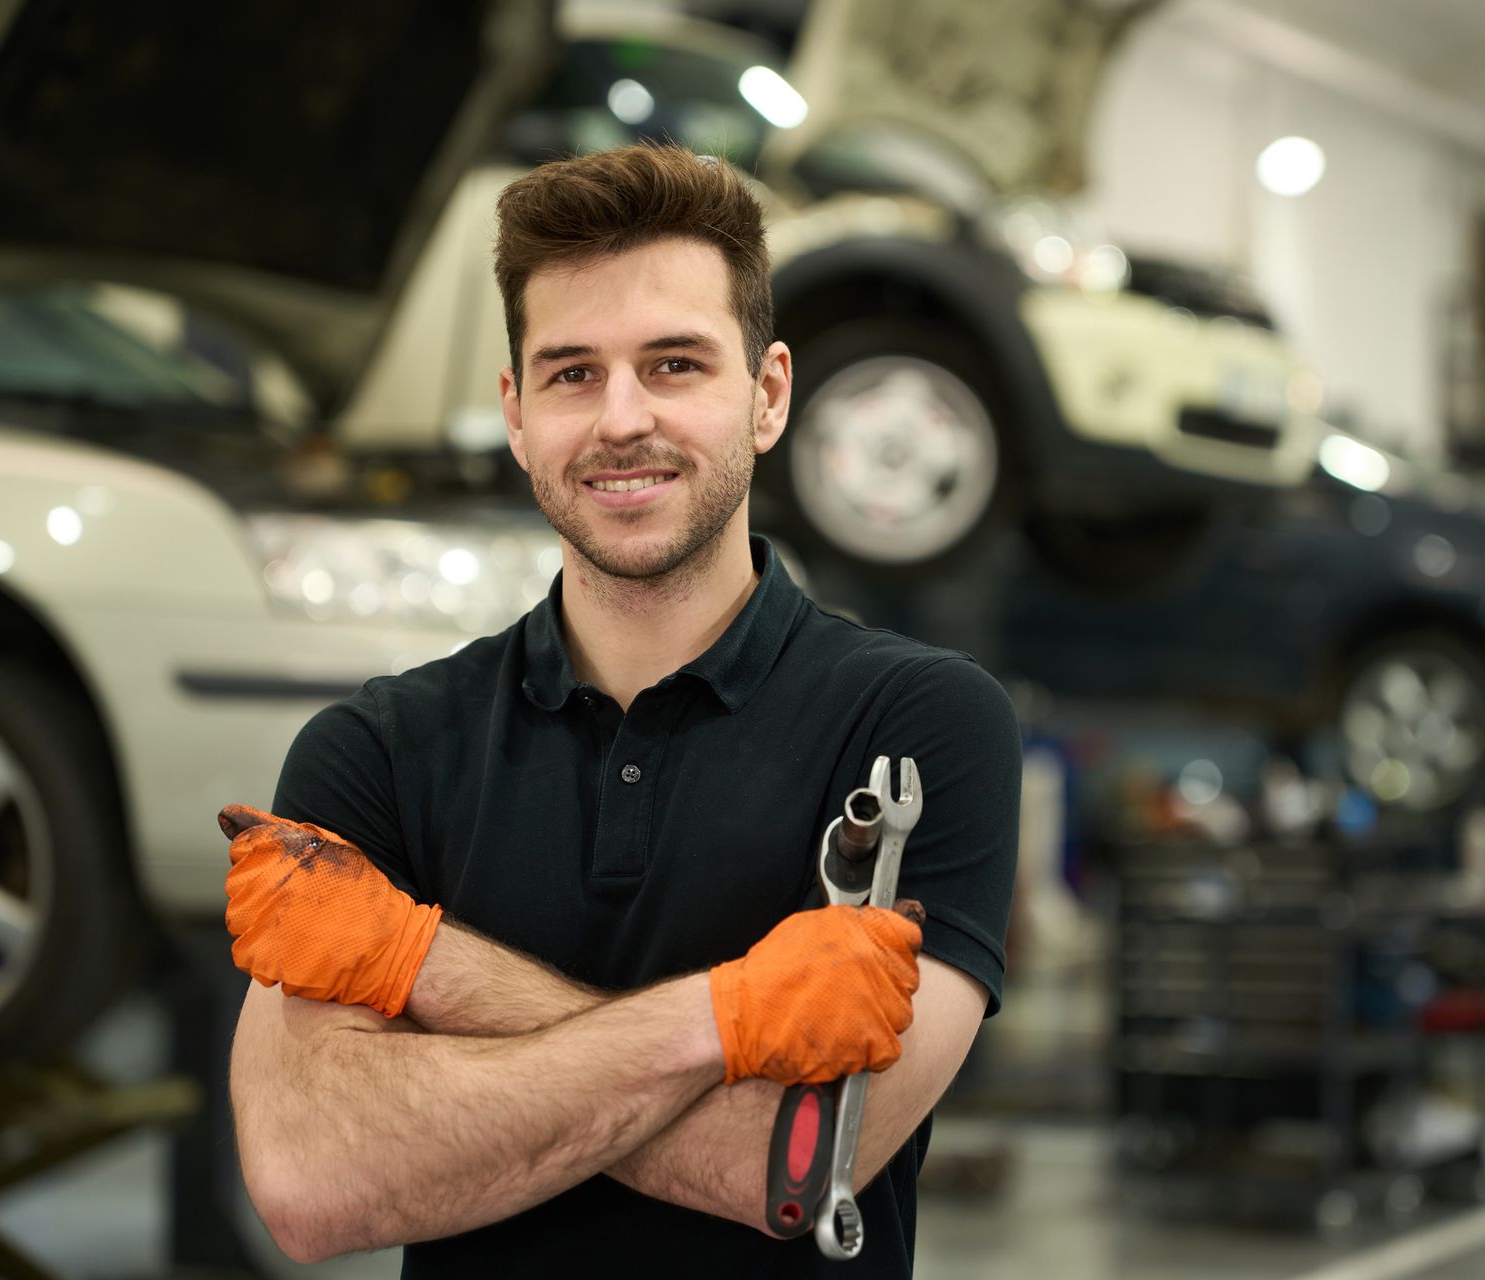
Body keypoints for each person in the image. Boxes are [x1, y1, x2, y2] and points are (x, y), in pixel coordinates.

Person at [222, 143, 1022, 1277]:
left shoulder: (921, 726)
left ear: (770, 393)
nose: (620, 419)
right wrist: (729, 1019)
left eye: (676, 363)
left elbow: (786, 1169)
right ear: (514, 413)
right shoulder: (378, 752)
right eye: (571, 373)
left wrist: (424, 967)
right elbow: (311, 1179)